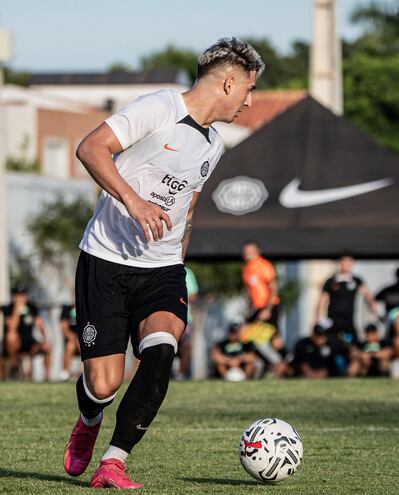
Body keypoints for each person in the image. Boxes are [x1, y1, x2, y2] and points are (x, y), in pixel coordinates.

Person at [63, 37, 264, 489]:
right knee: (103, 384)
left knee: (161, 352)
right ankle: (89, 418)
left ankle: (114, 462)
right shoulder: (159, 107)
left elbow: (186, 210)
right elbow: (91, 147)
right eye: (248, 89)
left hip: (163, 269)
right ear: (229, 81)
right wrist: (134, 202)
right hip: (106, 261)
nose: (250, 102)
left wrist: (178, 267)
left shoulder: (214, 145)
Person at [316, 255, 377, 345]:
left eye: (348, 262)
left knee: (353, 344)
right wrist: (318, 319)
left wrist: (372, 305)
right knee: (331, 343)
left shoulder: (356, 280)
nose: (346, 264)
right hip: (333, 320)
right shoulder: (331, 281)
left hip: (349, 320)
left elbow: (367, 294)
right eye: (344, 261)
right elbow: (322, 300)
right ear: (339, 263)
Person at [3, 285, 51, 380]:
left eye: (22, 295)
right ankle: (14, 368)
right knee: (11, 338)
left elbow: (40, 325)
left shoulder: (32, 307)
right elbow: (12, 328)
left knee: (47, 346)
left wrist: (44, 338)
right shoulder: (8, 308)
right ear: (14, 297)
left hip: (30, 342)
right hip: (15, 344)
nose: (20, 298)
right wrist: (17, 310)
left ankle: (47, 378)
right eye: (18, 295)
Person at [242, 241, 280, 326]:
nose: (248, 253)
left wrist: (268, 309)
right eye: (246, 251)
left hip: (269, 306)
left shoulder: (263, 265)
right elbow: (250, 291)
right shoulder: (246, 269)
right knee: (247, 332)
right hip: (256, 308)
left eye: (250, 251)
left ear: (257, 251)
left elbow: (273, 287)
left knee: (272, 334)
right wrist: (249, 308)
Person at [175, 266, 199, 379]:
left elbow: (194, 295)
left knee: (186, 347)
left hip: (185, 319)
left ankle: (181, 375)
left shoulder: (187, 272)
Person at [59, 301, 80, 381]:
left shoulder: (86, 308)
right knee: (70, 346)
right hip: (72, 340)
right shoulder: (67, 309)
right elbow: (64, 328)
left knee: (83, 346)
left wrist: (81, 340)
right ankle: (65, 373)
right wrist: (74, 339)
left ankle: (87, 372)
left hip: (83, 339)